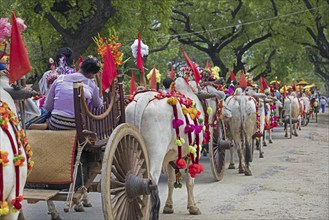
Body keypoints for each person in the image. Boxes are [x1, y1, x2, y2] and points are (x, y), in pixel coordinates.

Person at [29, 56, 103, 130]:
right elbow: (99, 105)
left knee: (49, 117)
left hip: (55, 122)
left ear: (80, 65)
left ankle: (47, 125)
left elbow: (48, 106)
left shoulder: (60, 79)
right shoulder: (91, 85)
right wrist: (99, 85)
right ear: (91, 74)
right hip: (77, 126)